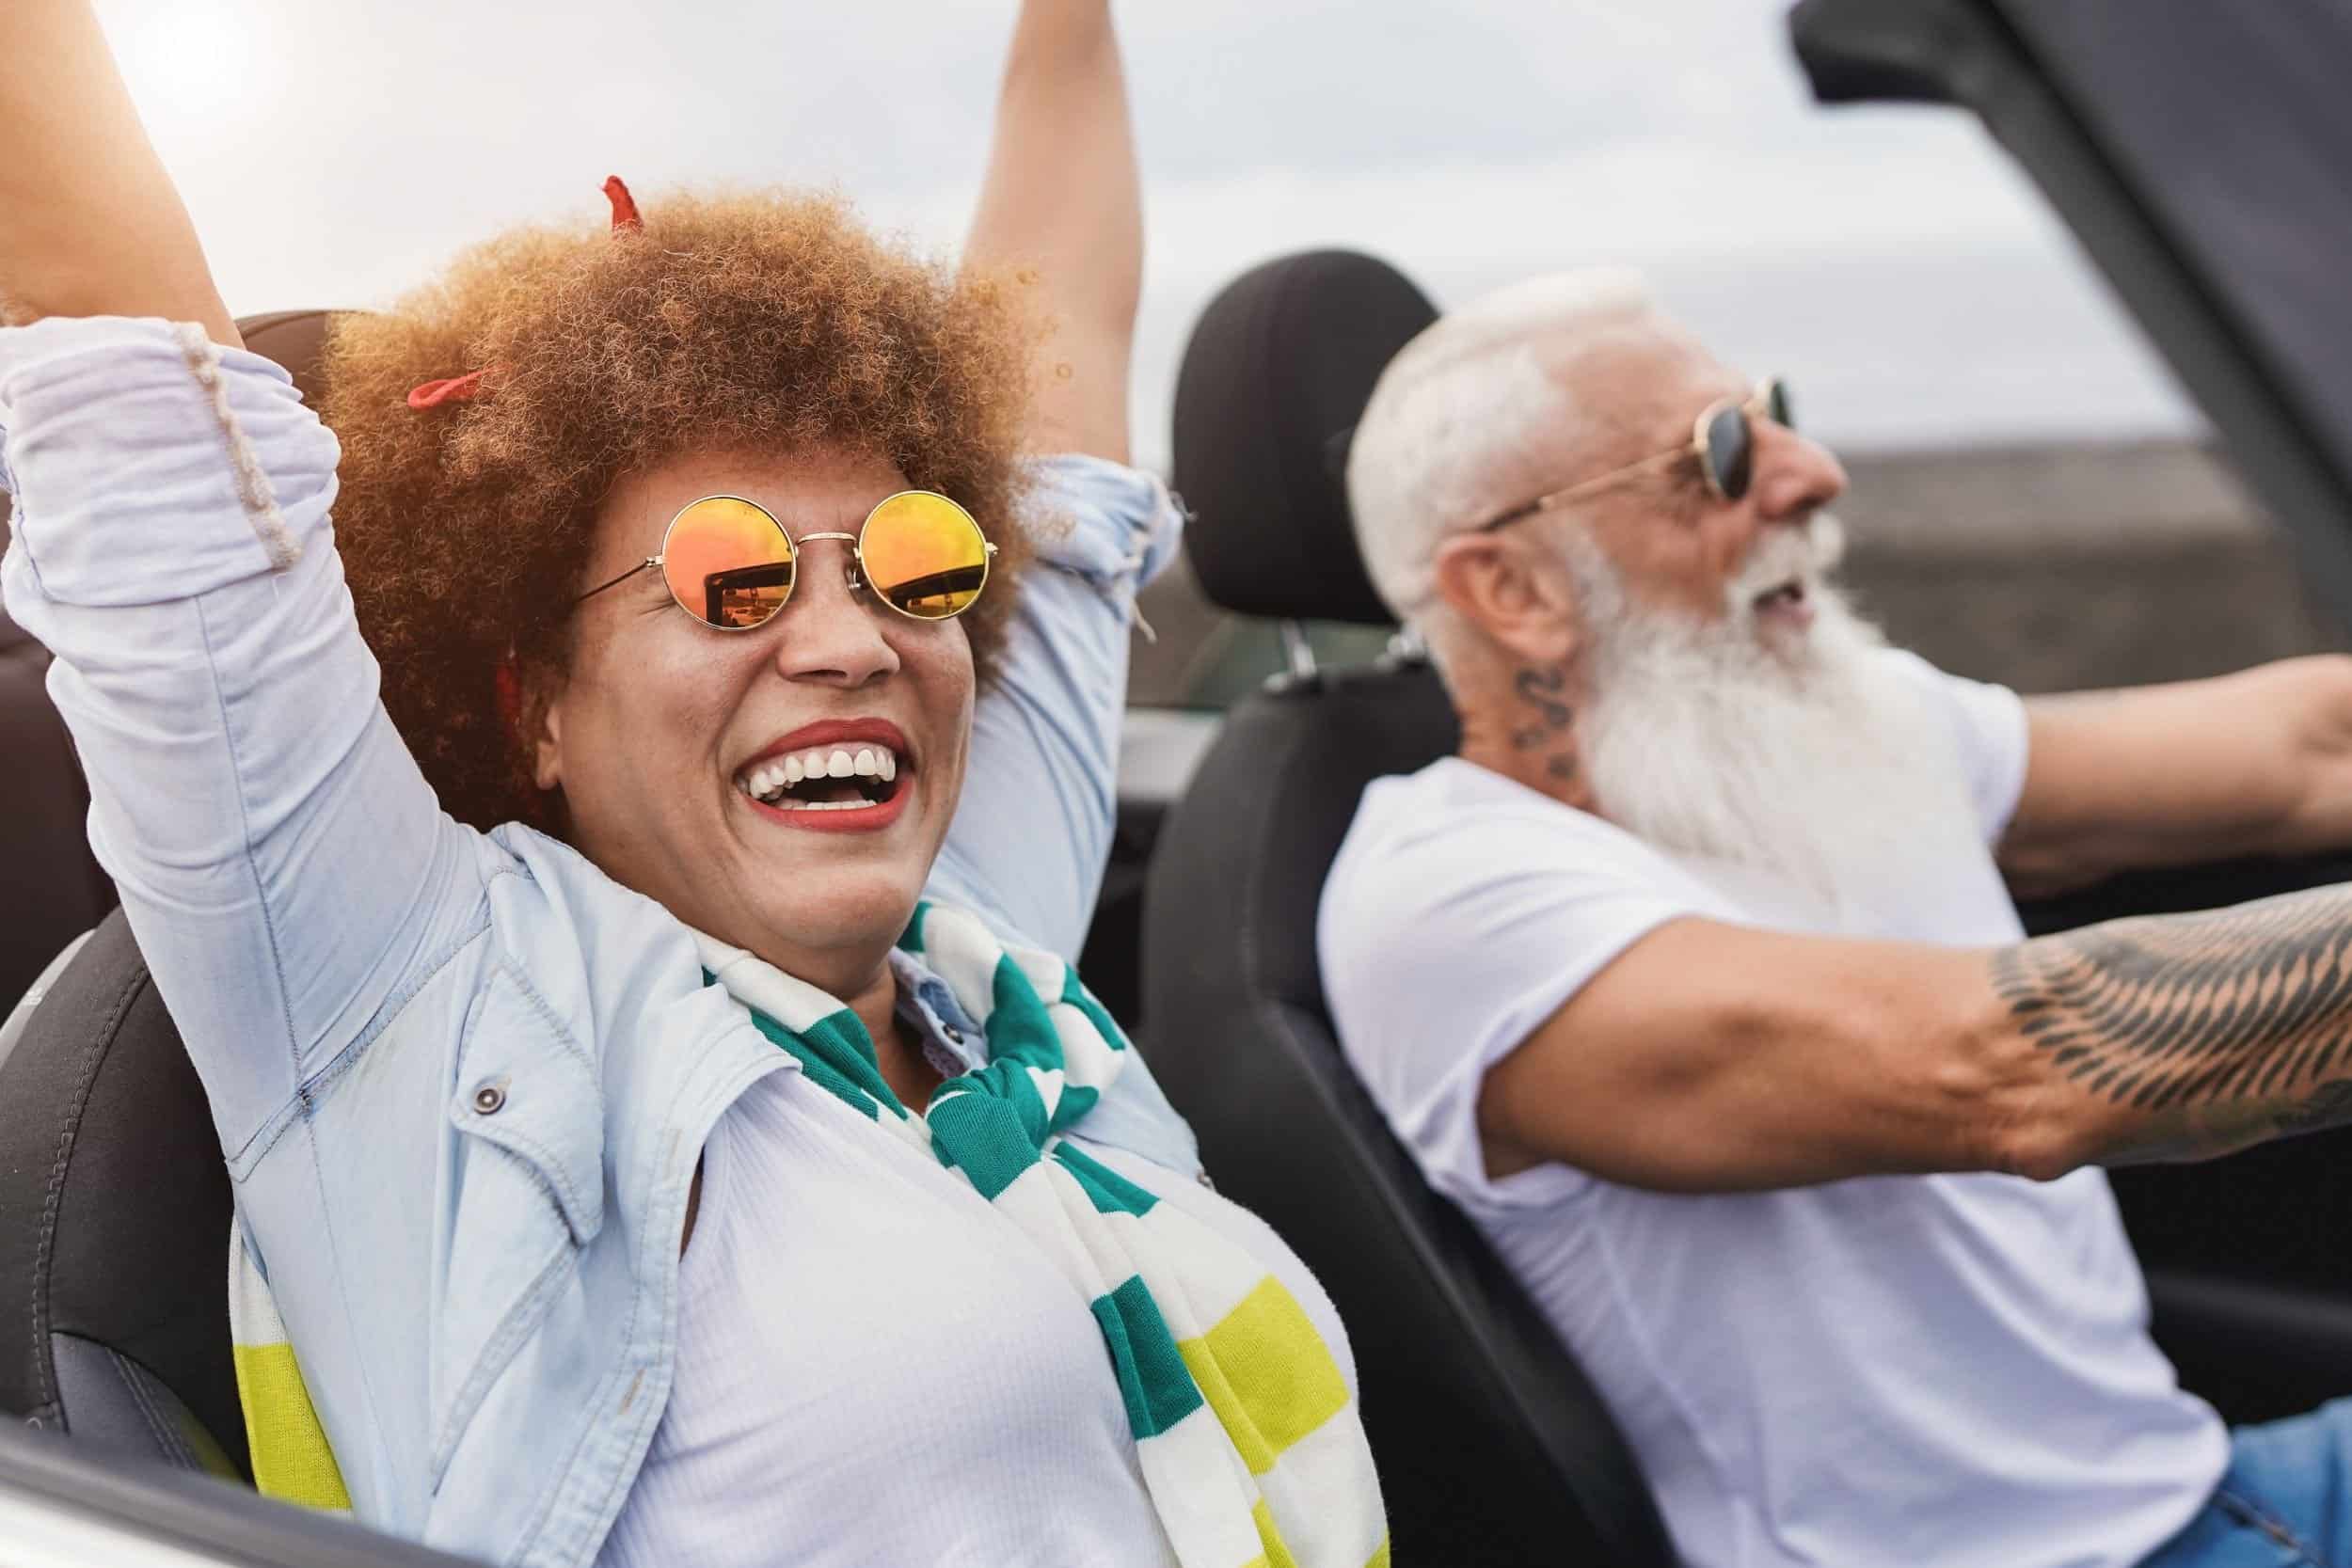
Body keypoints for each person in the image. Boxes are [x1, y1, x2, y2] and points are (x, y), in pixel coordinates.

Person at [0, 3, 1390, 1566]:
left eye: (914, 565)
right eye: (729, 578)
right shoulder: (411, 1008)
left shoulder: (977, 959)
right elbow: (132, 377)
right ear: (533, 708)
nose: (850, 640)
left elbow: (1061, 380)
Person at [1319, 270, 2352, 1568]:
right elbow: (2015, 1071)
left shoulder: (1822, 722)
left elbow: (2310, 748)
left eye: (1778, 413)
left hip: (2214, 1483)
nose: (1813, 471)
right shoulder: (1450, 898)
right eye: (1721, 453)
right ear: (1512, 588)